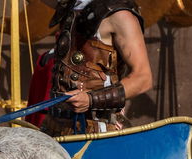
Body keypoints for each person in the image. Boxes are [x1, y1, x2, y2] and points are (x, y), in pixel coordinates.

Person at [39, 0, 153, 136]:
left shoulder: (120, 15)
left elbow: (143, 78)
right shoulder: (71, 5)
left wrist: (91, 99)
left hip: (95, 128)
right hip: (53, 126)